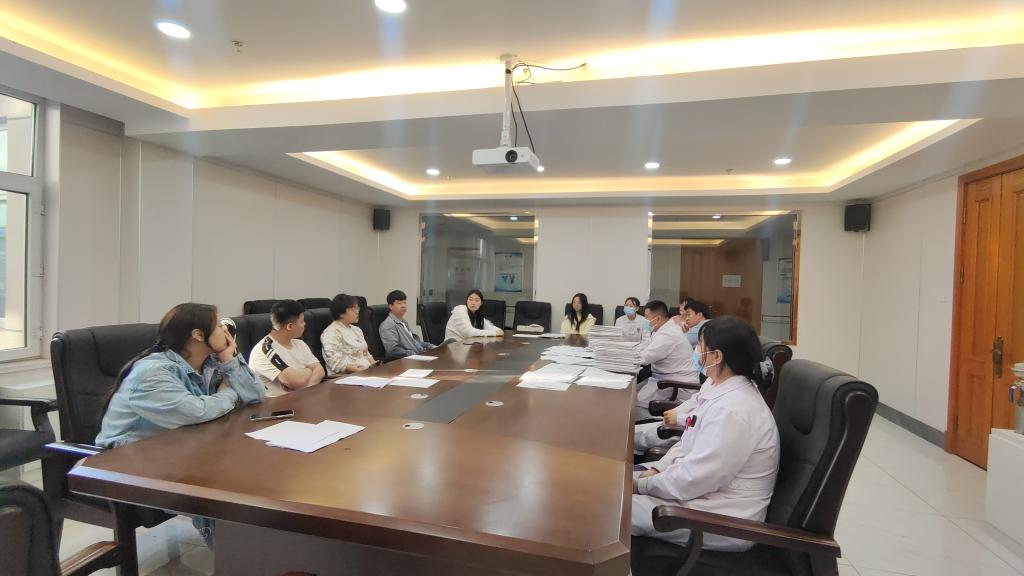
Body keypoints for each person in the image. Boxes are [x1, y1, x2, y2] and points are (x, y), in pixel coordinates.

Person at [95, 302, 265, 547]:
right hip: (127, 458)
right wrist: (228, 393)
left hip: (179, 446)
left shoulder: (209, 363)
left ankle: (254, 549)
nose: (225, 330)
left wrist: (229, 358)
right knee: (215, 482)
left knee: (247, 468)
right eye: (219, 325)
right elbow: (196, 411)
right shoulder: (153, 372)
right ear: (198, 335)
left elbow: (255, 395)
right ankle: (233, 557)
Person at [631, 316, 780, 555]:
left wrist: (642, 485)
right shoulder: (718, 387)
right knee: (613, 485)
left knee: (614, 510)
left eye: (700, 346)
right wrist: (658, 469)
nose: (696, 351)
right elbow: (688, 441)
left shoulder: (733, 411)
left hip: (723, 518)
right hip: (702, 493)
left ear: (717, 356)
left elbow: (694, 478)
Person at [634, 300, 699, 419]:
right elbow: (645, 348)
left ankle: (654, 425)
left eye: (647, 317)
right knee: (632, 392)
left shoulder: (668, 334)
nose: (645, 320)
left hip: (677, 384)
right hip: (665, 378)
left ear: (658, 318)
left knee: (635, 403)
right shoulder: (662, 330)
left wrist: (619, 356)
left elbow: (644, 358)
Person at [248, 299, 325, 396]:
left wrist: (305, 388)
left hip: (303, 398)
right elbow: (297, 381)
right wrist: (309, 370)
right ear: (290, 326)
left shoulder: (300, 344)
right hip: (278, 404)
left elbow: (320, 370)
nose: (305, 324)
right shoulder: (264, 350)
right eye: (302, 321)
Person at [321, 293, 378, 375]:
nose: (357, 312)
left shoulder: (357, 330)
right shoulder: (331, 333)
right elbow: (335, 363)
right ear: (341, 313)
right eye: (353, 309)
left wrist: (375, 366)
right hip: (346, 376)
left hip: (365, 372)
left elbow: (366, 354)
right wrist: (363, 371)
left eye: (357, 308)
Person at [379, 289, 435, 358]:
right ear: (391, 306)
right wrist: (414, 354)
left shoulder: (404, 322)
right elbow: (393, 350)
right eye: (399, 303)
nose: (403, 306)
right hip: (405, 360)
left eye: (404, 303)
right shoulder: (387, 325)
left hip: (417, 356)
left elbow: (413, 342)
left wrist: (429, 346)